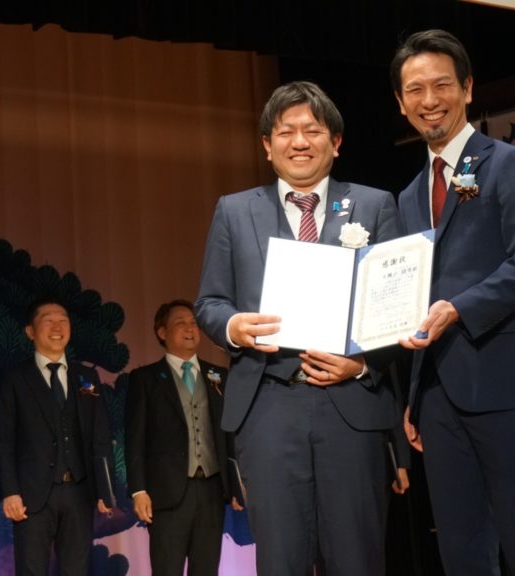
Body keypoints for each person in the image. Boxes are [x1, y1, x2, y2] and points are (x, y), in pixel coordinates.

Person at [195, 80, 408, 576]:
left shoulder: (375, 206)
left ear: (336, 142)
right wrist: (233, 326)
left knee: (357, 556)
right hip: (268, 404)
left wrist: (361, 366)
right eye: (285, 131)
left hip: (350, 405)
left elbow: (397, 308)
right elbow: (209, 302)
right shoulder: (234, 210)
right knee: (280, 558)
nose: (299, 142)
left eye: (312, 130)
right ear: (267, 146)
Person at [391, 29, 515, 575]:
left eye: (442, 85)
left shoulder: (509, 163)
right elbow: (416, 294)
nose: (430, 100)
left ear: (467, 89)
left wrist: (459, 308)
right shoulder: (409, 195)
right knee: (461, 551)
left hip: (505, 381)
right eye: (415, 90)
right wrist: (415, 395)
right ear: (400, 103)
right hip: (438, 396)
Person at [0, 297, 115, 575]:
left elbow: (100, 435)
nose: (57, 327)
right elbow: (4, 441)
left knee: (77, 569)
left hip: (80, 491)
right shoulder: (14, 378)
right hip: (32, 494)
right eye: (48, 320)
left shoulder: (86, 376)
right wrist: (10, 492)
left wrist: (105, 489)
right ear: (30, 331)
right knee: (31, 569)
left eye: (63, 320)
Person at [125, 299, 237, 576]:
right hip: (167, 493)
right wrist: (138, 490)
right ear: (162, 332)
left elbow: (230, 434)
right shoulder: (145, 378)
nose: (190, 329)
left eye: (194, 323)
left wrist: (236, 485)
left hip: (212, 490)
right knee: (167, 569)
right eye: (180, 323)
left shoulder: (218, 375)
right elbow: (135, 439)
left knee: (207, 569)